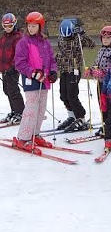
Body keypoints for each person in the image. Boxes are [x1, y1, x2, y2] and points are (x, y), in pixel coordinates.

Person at [12, 11, 58, 154]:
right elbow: (19, 63)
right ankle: (23, 138)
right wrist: (33, 72)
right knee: (31, 110)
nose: (31, 29)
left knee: (40, 110)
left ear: (40, 26)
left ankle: (34, 134)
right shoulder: (23, 43)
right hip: (31, 81)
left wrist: (53, 72)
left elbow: (51, 59)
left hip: (44, 82)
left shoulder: (45, 42)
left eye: (34, 26)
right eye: (29, 26)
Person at [55, 18, 95, 132]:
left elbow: (91, 44)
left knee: (72, 95)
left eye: (68, 36)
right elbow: (61, 51)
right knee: (63, 95)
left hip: (74, 69)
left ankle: (80, 117)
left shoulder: (78, 38)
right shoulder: (61, 38)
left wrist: (82, 32)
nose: (66, 38)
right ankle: (71, 116)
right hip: (63, 69)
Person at [84, 25, 111, 136]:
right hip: (100, 83)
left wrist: (103, 73)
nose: (105, 40)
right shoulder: (101, 51)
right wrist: (90, 70)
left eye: (108, 38)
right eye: (103, 38)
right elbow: (96, 65)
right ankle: (105, 124)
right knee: (102, 104)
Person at [0, 13, 25, 124]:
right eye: (5, 27)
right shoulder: (4, 37)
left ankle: (21, 112)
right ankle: (14, 110)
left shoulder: (17, 37)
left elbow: (19, 54)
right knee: (7, 90)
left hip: (12, 69)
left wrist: (13, 67)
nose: (7, 29)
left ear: (14, 24)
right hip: (4, 69)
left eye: (9, 26)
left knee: (13, 91)